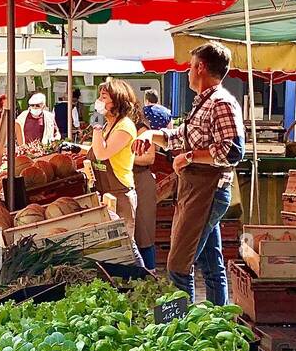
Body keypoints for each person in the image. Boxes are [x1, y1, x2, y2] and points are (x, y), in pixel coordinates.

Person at [153, 43, 244, 303]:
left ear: (201, 67)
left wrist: (190, 156)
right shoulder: (202, 103)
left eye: (191, 66)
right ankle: (218, 321)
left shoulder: (221, 103)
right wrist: (150, 136)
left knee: (178, 266)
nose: (188, 72)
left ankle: (177, 327)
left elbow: (233, 151)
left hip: (207, 193)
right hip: (195, 192)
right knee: (211, 265)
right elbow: (178, 136)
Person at [87, 80, 140, 227]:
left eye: (103, 97)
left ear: (117, 101)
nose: (98, 101)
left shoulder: (125, 126)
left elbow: (102, 154)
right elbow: (95, 149)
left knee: (125, 244)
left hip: (120, 193)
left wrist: (96, 126)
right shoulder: (107, 125)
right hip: (104, 192)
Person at [132, 101, 160, 271]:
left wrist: (123, 157)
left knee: (144, 235)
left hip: (141, 183)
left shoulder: (141, 130)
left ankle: (150, 274)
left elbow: (150, 158)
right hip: (126, 183)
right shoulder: (114, 127)